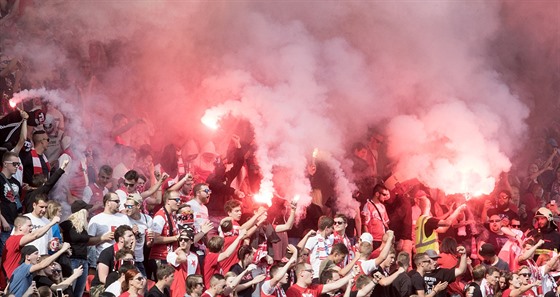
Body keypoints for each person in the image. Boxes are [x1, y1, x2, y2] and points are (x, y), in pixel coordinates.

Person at [59, 201, 113, 297]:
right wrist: (62, 246)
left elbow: (88, 241)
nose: (89, 212)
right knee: (70, 290)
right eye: (87, 210)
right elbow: (56, 232)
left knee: (79, 292)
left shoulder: (83, 227)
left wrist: (102, 238)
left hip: (83, 260)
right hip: (72, 260)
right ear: (81, 211)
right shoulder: (67, 224)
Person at [2, 214, 60, 281]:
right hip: (11, 280)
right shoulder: (14, 239)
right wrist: (52, 223)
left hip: (16, 278)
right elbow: (35, 235)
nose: (31, 228)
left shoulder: (15, 240)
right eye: (29, 226)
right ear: (20, 227)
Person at [88, 192, 131, 268]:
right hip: (104, 260)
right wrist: (103, 238)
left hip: (122, 258)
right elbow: (88, 241)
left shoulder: (124, 218)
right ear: (108, 202)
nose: (119, 204)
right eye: (116, 201)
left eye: (119, 202)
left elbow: (131, 237)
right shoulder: (96, 219)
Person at [90, 225, 136, 294]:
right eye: (130, 236)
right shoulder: (107, 252)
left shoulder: (129, 254)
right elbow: (102, 278)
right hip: (101, 286)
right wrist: (119, 285)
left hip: (123, 284)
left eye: (133, 236)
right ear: (121, 239)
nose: (133, 238)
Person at [285, 262, 354, 297]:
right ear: (301, 273)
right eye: (310, 271)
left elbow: (336, 285)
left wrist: (353, 274)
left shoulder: (314, 288)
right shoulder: (292, 291)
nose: (312, 274)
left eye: (313, 271)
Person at [0, 151, 23, 255]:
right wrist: (3, 220)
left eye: (18, 164)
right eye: (14, 164)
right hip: (4, 224)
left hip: (15, 224)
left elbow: (18, 204)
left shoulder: (17, 182)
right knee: (5, 253)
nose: (17, 166)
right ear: (5, 164)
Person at [124, 193, 153, 275]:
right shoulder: (123, 218)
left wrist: (152, 240)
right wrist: (131, 233)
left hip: (139, 260)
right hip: (126, 260)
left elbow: (148, 244)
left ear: (138, 206)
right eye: (125, 206)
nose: (126, 209)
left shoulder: (147, 219)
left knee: (143, 284)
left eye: (129, 206)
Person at [166, 228, 200, 297]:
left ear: (192, 241)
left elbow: (197, 276)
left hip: (190, 292)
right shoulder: (172, 255)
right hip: (177, 292)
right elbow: (183, 259)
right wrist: (179, 250)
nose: (182, 241)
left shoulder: (195, 256)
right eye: (181, 239)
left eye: (186, 240)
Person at [305, 216, 335, 281]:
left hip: (327, 275)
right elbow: (304, 254)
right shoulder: (313, 239)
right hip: (316, 274)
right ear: (326, 228)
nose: (333, 230)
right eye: (332, 228)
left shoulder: (329, 240)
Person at [361, 184, 390, 249]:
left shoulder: (382, 206)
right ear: (377, 194)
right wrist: (368, 241)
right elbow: (365, 225)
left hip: (383, 240)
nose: (385, 197)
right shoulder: (368, 206)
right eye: (384, 195)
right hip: (373, 240)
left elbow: (386, 222)